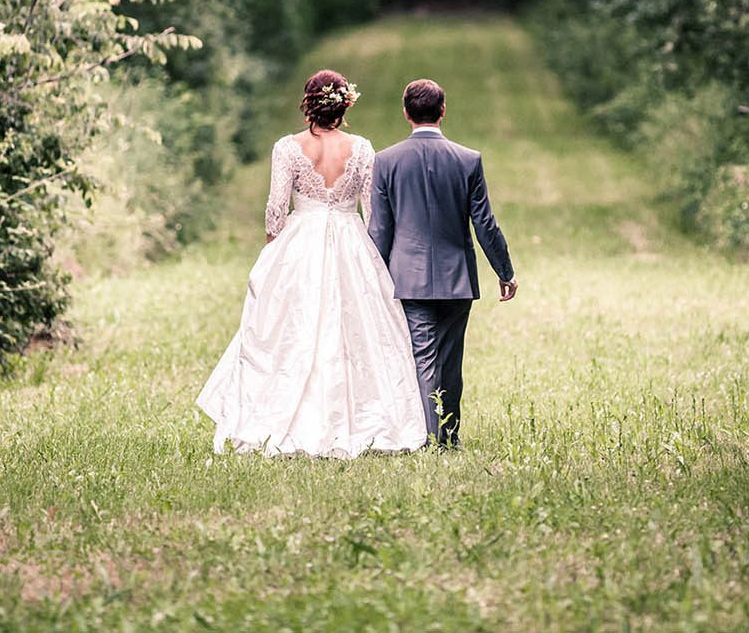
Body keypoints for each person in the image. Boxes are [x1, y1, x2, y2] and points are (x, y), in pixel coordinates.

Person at [196, 70, 428, 458]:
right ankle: (366, 420)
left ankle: (282, 415)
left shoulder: (287, 148)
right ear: (344, 104)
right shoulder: (362, 148)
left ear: (309, 104)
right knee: (356, 328)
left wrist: (276, 252)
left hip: (300, 240)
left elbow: (275, 212)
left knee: (292, 326)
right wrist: (371, 259)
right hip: (349, 236)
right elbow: (373, 214)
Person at [367, 78, 517, 447]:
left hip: (406, 277)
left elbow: (380, 229)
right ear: (443, 110)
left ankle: (427, 436)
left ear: (405, 113)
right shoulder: (468, 159)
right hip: (457, 278)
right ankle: (446, 437)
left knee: (422, 356)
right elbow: (485, 223)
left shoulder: (385, 162)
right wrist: (505, 271)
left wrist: (371, 277)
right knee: (450, 360)